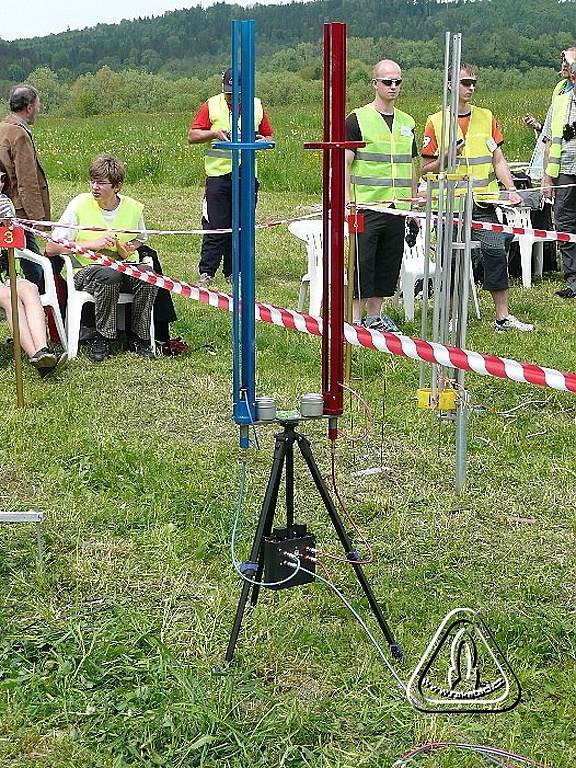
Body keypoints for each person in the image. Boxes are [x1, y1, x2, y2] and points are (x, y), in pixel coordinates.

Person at [421, 63, 534, 333]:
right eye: (465, 83)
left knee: (496, 252)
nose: (471, 87)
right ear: (450, 85)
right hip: (451, 206)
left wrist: (511, 188)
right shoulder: (436, 121)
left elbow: (498, 160)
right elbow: (424, 168)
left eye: (474, 83)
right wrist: (446, 157)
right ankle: (450, 318)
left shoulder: (486, 117)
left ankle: (502, 317)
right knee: (451, 261)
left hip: (484, 203)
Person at [45, 154, 158, 362]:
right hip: (85, 271)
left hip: (125, 265)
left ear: (117, 186)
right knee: (109, 275)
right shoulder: (79, 204)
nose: (94, 187)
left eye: (101, 183)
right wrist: (92, 245)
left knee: (148, 276)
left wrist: (128, 247)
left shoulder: (133, 208)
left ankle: (139, 336)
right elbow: (51, 247)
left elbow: (140, 239)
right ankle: (103, 336)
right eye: (92, 181)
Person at [345, 59, 419, 332]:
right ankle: (355, 321)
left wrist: (412, 206)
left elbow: (411, 165)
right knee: (362, 263)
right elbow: (343, 165)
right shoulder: (357, 119)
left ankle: (375, 317)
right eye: (387, 81)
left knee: (388, 263)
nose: (393, 86)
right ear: (375, 84)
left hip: (397, 206)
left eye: (397, 81)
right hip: (365, 205)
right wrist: (346, 203)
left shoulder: (407, 122)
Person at [187, 68, 274, 285]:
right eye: (228, 93)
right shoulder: (211, 105)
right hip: (218, 176)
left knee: (242, 225)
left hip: (247, 175)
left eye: (236, 93)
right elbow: (192, 135)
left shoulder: (256, 105)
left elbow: (269, 136)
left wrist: (263, 140)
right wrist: (213, 133)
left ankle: (234, 271)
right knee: (215, 226)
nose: (232, 97)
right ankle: (207, 272)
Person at [0, 84, 49, 291]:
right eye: (37, 105)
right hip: (18, 211)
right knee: (34, 264)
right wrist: (36, 219)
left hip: (3, 207)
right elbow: (26, 181)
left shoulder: (2, 128)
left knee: (8, 257)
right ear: (29, 107)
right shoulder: (19, 135)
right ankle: (38, 300)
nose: (38, 109)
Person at [542, 60, 576, 298]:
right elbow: (549, 142)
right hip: (564, 172)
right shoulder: (560, 103)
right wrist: (547, 178)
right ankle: (573, 279)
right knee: (565, 224)